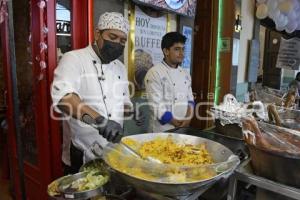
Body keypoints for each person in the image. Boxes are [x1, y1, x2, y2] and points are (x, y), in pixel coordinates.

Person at [51, 12, 138, 174]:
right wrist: (100, 121)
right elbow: (64, 98)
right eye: (112, 37)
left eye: (122, 41)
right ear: (97, 33)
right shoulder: (74, 59)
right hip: (82, 151)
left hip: (113, 150)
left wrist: (131, 111)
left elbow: (124, 100)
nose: (117, 44)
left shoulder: (120, 67)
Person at [144, 32, 194, 132]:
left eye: (183, 49)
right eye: (177, 49)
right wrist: (175, 122)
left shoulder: (185, 73)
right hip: (162, 129)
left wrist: (188, 118)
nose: (181, 53)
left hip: (183, 126)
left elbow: (190, 99)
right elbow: (156, 105)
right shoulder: (154, 73)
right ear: (166, 51)